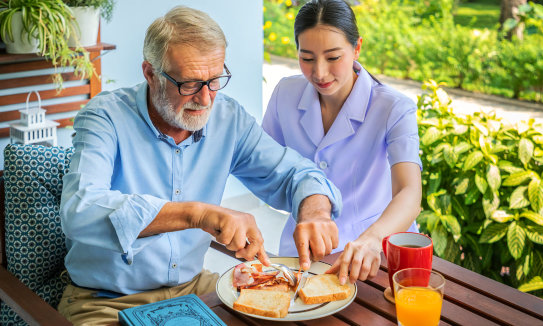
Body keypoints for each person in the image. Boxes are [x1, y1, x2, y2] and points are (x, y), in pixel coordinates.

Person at [58, 6, 341, 325]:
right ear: (150, 74)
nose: (206, 99)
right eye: (189, 84)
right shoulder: (104, 117)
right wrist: (197, 214)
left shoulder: (229, 120)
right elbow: (80, 211)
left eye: (215, 80)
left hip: (195, 291)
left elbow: (294, 174)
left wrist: (316, 212)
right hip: (106, 302)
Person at [262, 0, 422, 285]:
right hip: (301, 255)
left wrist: (372, 239)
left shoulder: (394, 108)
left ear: (357, 47)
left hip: (371, 259)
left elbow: (409, 192)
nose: (320, 73)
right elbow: (266, 169)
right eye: (307, 58)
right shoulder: (285, 93)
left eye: (333, 57)